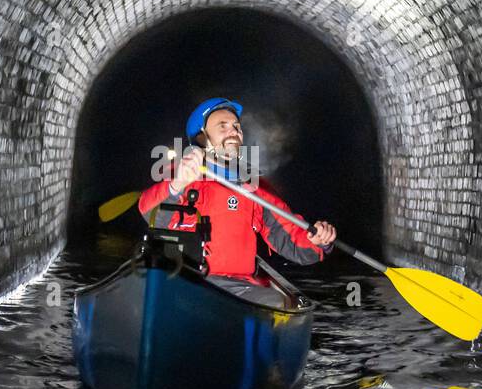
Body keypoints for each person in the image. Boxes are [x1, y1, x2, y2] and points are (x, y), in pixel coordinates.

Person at [138, 97, 337, 307]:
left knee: (277, 302)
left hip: (238, 287)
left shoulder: (255, 187)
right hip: (184, 281)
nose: (234, 131)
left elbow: (289, 238)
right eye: (222, 126)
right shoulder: (182, 175)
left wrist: (317, 241)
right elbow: (149, 212)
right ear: (201, 138)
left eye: (236, 126)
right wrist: (176, 186)